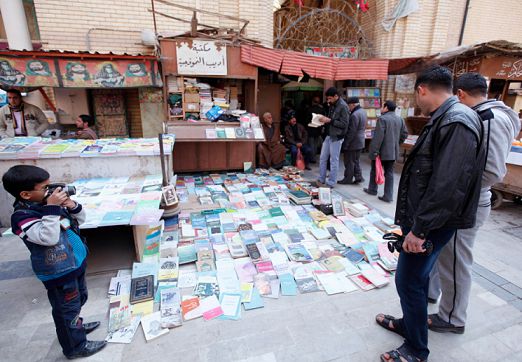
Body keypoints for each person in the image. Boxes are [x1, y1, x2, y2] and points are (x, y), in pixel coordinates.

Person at [376, 65, 485, 362]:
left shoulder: (456, 121)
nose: (418, 101)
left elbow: (447, 185)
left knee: (408, 280)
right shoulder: (448, 118)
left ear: (422, 89)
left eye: (417, 95)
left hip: (433, 223)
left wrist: (419, 230)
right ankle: (408, 324)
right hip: (430, 220)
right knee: (416, 278)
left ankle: (416, 349)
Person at [427, 73, 520, 333]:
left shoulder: (490, 119)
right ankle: (433, 294)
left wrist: (450, 183)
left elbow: (491, 171)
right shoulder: (484, 115)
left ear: (460, 94)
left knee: (456, 260)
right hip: (458, 200)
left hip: (467, 203)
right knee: (442, 254)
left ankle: (453, 317)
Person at [2, 165, 106, 359]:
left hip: (74, 264)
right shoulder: (22, 217)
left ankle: (75, 326)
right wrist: (52, 208)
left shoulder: (46, 205)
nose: (51, 191)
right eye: (45, 187)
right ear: (25, 194)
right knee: (66, 309)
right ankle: (75, 346)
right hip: (58, 272)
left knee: (79, 299)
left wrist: (71, 206)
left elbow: (80, 220)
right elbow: (48, 238)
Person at [364, 100, 408, 202]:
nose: (381, 108)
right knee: (389, 173)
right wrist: (397, 143)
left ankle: (372, 189)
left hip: (381, 151)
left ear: (386, 108)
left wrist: (374, 152)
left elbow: (378, 137)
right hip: (393, 151)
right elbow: (405, 134)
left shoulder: (382, 119)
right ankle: (388, 196)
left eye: (383, 107)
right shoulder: (400, 119)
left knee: (375, 170)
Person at [316, 87, 349, 188]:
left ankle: (331, 182)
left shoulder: (343, 107)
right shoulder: (332, 104)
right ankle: (321, 178)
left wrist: (329, 121)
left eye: (330, 98)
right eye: (327, 99)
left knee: (333, 160)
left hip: (337, 136)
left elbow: (344, 124)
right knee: (322, 158)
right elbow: (330, 118)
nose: (328, 100)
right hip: (329, 134)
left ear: (336, 96)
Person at [338, 97, 366, 184]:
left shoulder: (354, 115)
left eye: (349, 105)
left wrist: (346, 144)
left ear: (353, 104)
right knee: (355, 160)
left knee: (349, 161)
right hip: (360, 141)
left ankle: (347, 179)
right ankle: (358, 176)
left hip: (353, 142)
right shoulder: (362, 112)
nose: (348, 107)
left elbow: (351, 132)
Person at [307, 96, 325, 163]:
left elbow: (306, 119)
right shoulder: (321, 110)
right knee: (315, 144)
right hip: (318, 129)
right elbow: (323, 120)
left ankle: (312, 158)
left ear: (312, 101)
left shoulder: (309, 109)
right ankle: (314, 157)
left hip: (311, 129)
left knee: (311, 144)